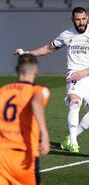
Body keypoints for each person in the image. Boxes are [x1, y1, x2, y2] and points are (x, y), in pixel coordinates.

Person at [15, 7, 89, 153]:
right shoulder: (66, 34)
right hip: (74, 75)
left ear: (87, 18)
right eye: (78, 19)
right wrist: (26, 53)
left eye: (83, 19)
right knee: (75, 103)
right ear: (73, 20)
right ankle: (74, 143)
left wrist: (84, 73)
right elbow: (48, 49)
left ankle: (71, 137)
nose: (81, 22)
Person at [0, 54, 50, 185]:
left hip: (2, 156)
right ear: (36, 70)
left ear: (17, 69)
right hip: (24, 156)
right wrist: (45, 133)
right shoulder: (37, 90)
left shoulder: (3, 91)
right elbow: (36, 102)